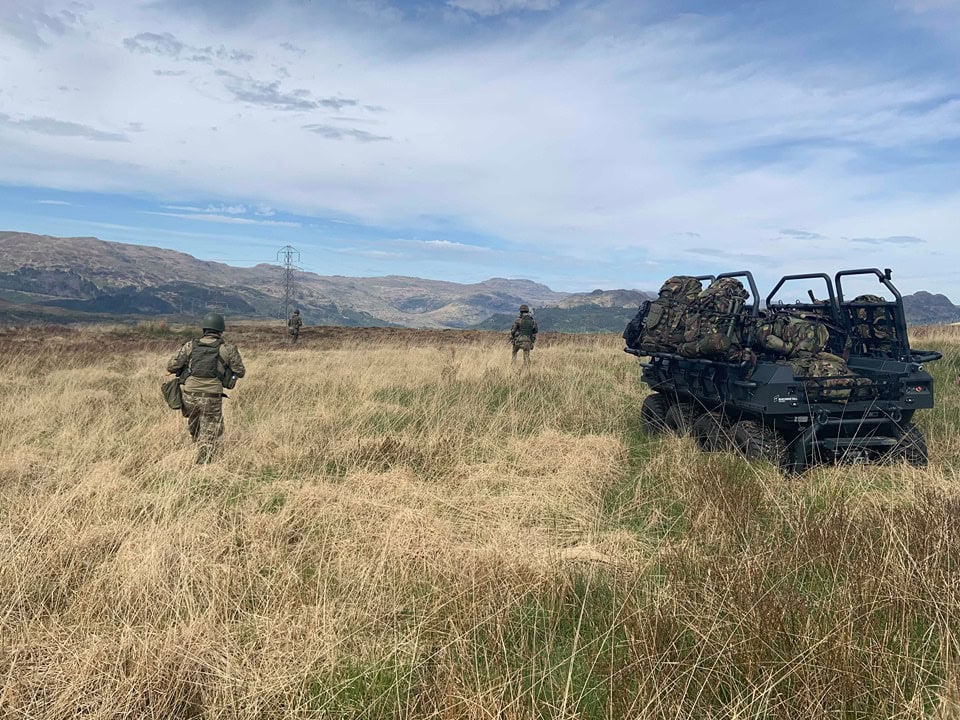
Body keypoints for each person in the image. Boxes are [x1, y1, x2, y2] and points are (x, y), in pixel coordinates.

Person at [166, 312, 245, 464]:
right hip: (212, 397)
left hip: (189, 395)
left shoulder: (189, 346)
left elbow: (171, 366)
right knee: (211, 431)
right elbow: (240, 371)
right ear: (220, 330)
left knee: (195, 423)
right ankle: (204, 464)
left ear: (204, 329)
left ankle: (194, 450)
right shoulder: (228, 349)